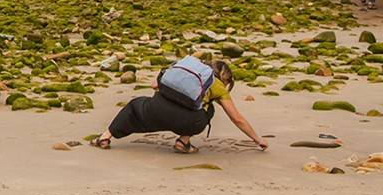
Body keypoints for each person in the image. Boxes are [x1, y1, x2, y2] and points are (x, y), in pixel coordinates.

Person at [91, 59, 267, 153]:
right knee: (209, 109)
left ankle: (105, 137)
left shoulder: (185, 67)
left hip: (155, 111)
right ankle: (183, 142)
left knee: (134, 106)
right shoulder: (216, 85)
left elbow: (154, 85)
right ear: (224, 77)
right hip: (188, 121)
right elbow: (236, 118)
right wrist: (258, 140)